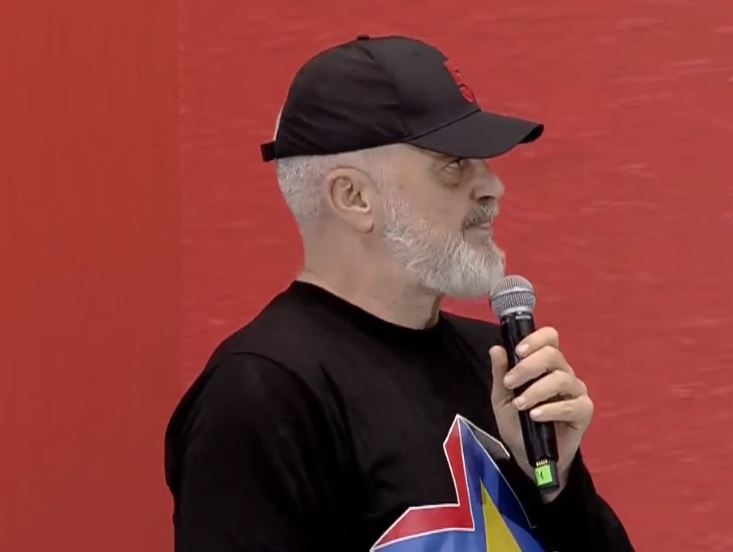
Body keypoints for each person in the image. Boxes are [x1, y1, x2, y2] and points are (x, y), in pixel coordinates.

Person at [165, 35, 633, 551]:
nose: (493, 187)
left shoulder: (497, 365)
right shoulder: (265, 393)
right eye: (453, 164)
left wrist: (558, 488)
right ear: (353, 196)